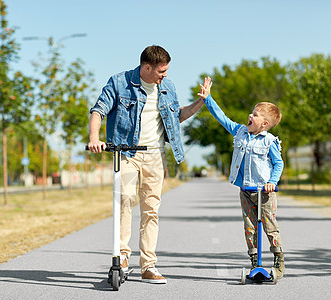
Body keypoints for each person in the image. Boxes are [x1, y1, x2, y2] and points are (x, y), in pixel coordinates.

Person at [87, 45, 205, 284]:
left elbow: (177, 116)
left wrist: (200, 102)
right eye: (162, 71)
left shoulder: (167, 87)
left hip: (155, 156)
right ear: (146, 67)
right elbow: (99, 111)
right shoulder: (120, 83)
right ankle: (121, 258)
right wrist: (94, 138)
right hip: (126, 154)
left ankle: (148, 265)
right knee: (124, 201)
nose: (165, 75)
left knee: (151, 209)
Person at [198, 77, 285, 279]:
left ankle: (278, 258)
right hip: (246, 190)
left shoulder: (269, 141)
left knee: (270, 227)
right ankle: (255, 262)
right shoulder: (239, 132)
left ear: (264, 123)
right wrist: (208, 99)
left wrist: (272, 182)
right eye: (251, 112)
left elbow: (278, 163)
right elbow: (222, 118)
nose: (250, 115)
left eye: (254, 114)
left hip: (265, 192)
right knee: (249, 227)